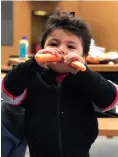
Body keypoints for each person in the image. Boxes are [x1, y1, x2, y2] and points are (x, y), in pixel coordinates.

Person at [1, 11, 118, 157]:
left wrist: (86, 74)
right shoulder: (32, 77)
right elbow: (6, 92)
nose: (62, 50)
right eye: (54, 44)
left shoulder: (87, 81)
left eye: (71, 46)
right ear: (42, 49)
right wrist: (33, 64)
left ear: (84, 57)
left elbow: (111, 100)